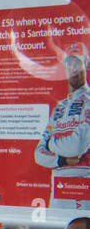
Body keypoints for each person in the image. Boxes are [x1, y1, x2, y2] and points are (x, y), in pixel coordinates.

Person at [34, 43, 90, 211]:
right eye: (69, 63)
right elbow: (38, 153)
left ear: (85, 65)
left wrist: (51, 143)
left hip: (82, 185)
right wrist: (62, 159)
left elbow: (78, 145)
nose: (72, 68)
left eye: (77, 63)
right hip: (58, 187)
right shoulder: (60, 107)